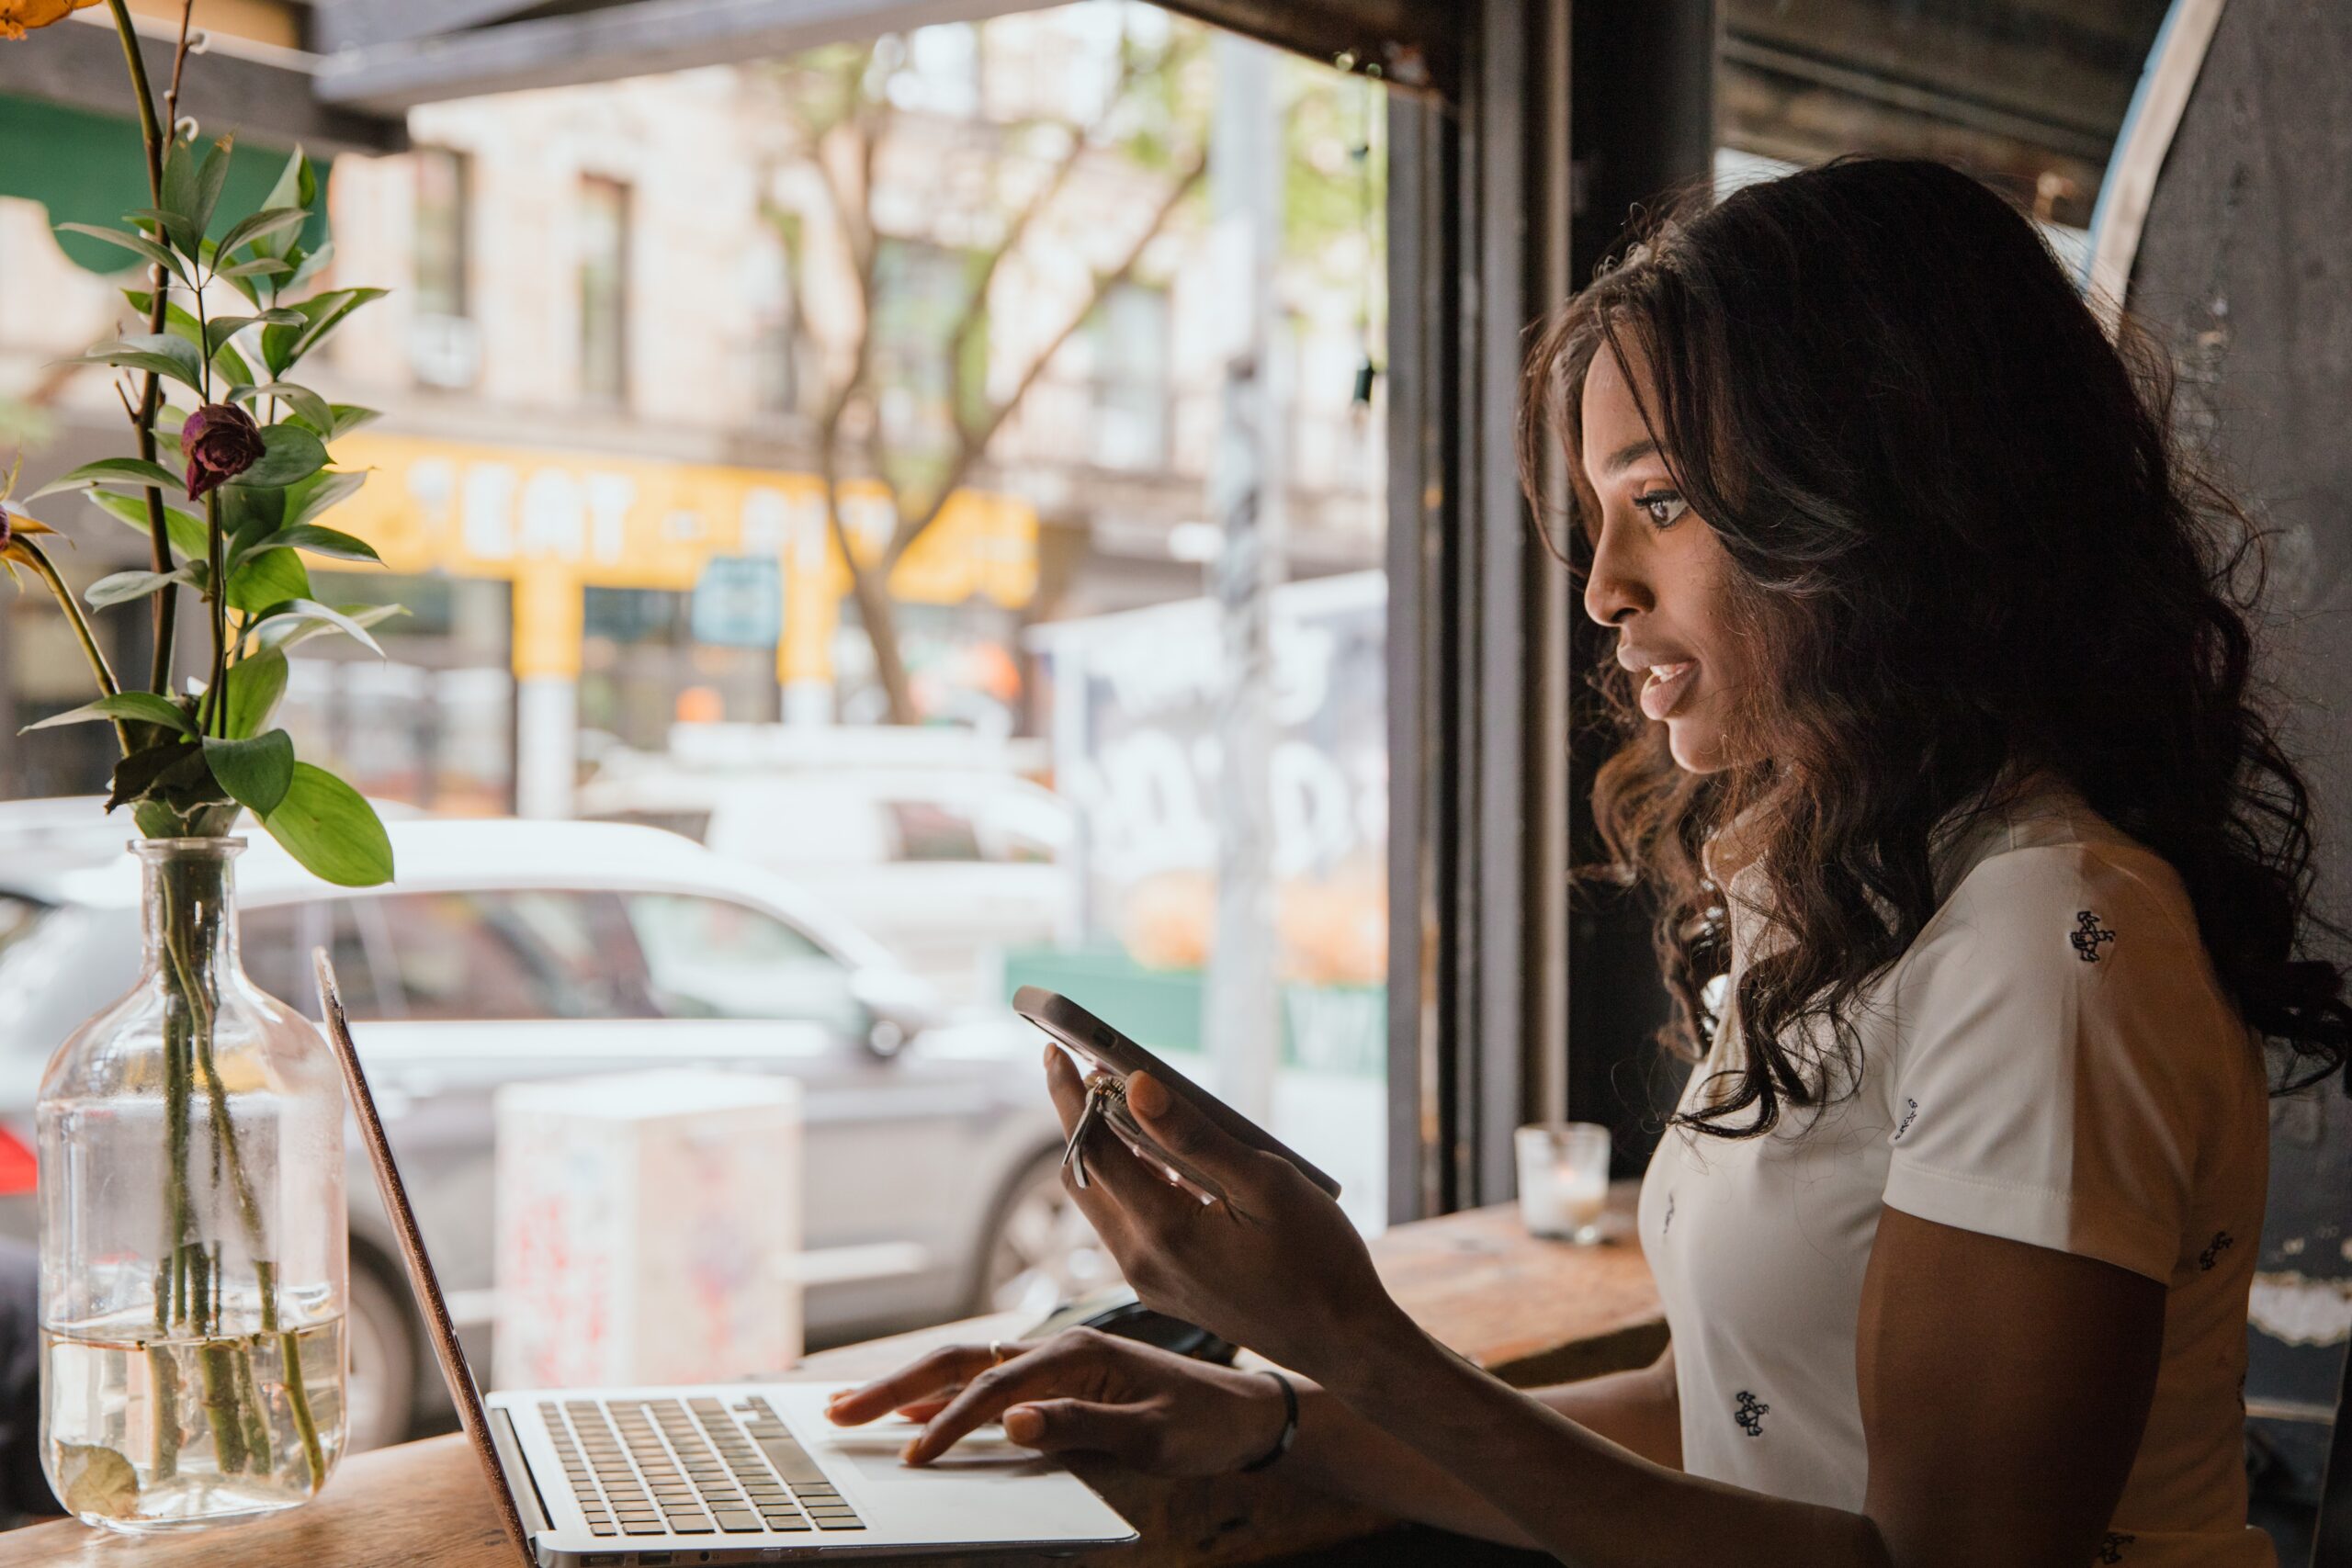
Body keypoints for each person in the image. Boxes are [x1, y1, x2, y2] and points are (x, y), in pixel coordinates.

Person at [827, 157, 2350, 1566]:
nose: (1606, 587)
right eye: (1603, 514)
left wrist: (1353, 1339)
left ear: (1885, 503)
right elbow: (1717, 1421)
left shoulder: (2048, 937)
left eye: (1662, 502)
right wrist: (1267, 1415)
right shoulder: (1850, 896)